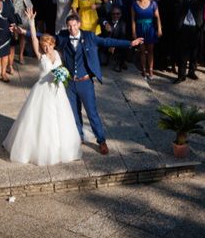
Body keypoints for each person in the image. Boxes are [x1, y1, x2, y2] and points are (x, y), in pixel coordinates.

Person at [2, 10, 82, 166]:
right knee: (41, 121)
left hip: (57, 92)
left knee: (61, 120)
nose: (46, 48)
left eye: (48, 45)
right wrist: (31, 22)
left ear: (53, 44)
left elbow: (64, 68)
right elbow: (33, 38)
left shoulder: (58, 54)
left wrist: (64, 75)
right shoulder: (41, 56)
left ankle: (61, 149)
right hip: (43, 91)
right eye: (44, 46)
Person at [56, 14, 143, 155]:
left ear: (79, 24)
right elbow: (46, 37)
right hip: (71, 83)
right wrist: (26, 31)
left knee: (92, 113)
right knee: (74, 112)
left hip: (85, 82)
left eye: (74, 25)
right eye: (69, 26)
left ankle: (101, 140)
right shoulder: (63, 36)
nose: (72, 28)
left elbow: (107, 42)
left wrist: (129, 43)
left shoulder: (89, 37)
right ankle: (79, 136)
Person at [131, 0, 162, 80]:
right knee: (142, 51)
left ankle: (151, 70)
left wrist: (160, 29)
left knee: (150, 51)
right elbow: (132, 20)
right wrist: (133, 32)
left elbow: (158, 17)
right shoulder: (134, 4)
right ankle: (144, 70)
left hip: (150, 29)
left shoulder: (153, 3)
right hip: (140, 29)